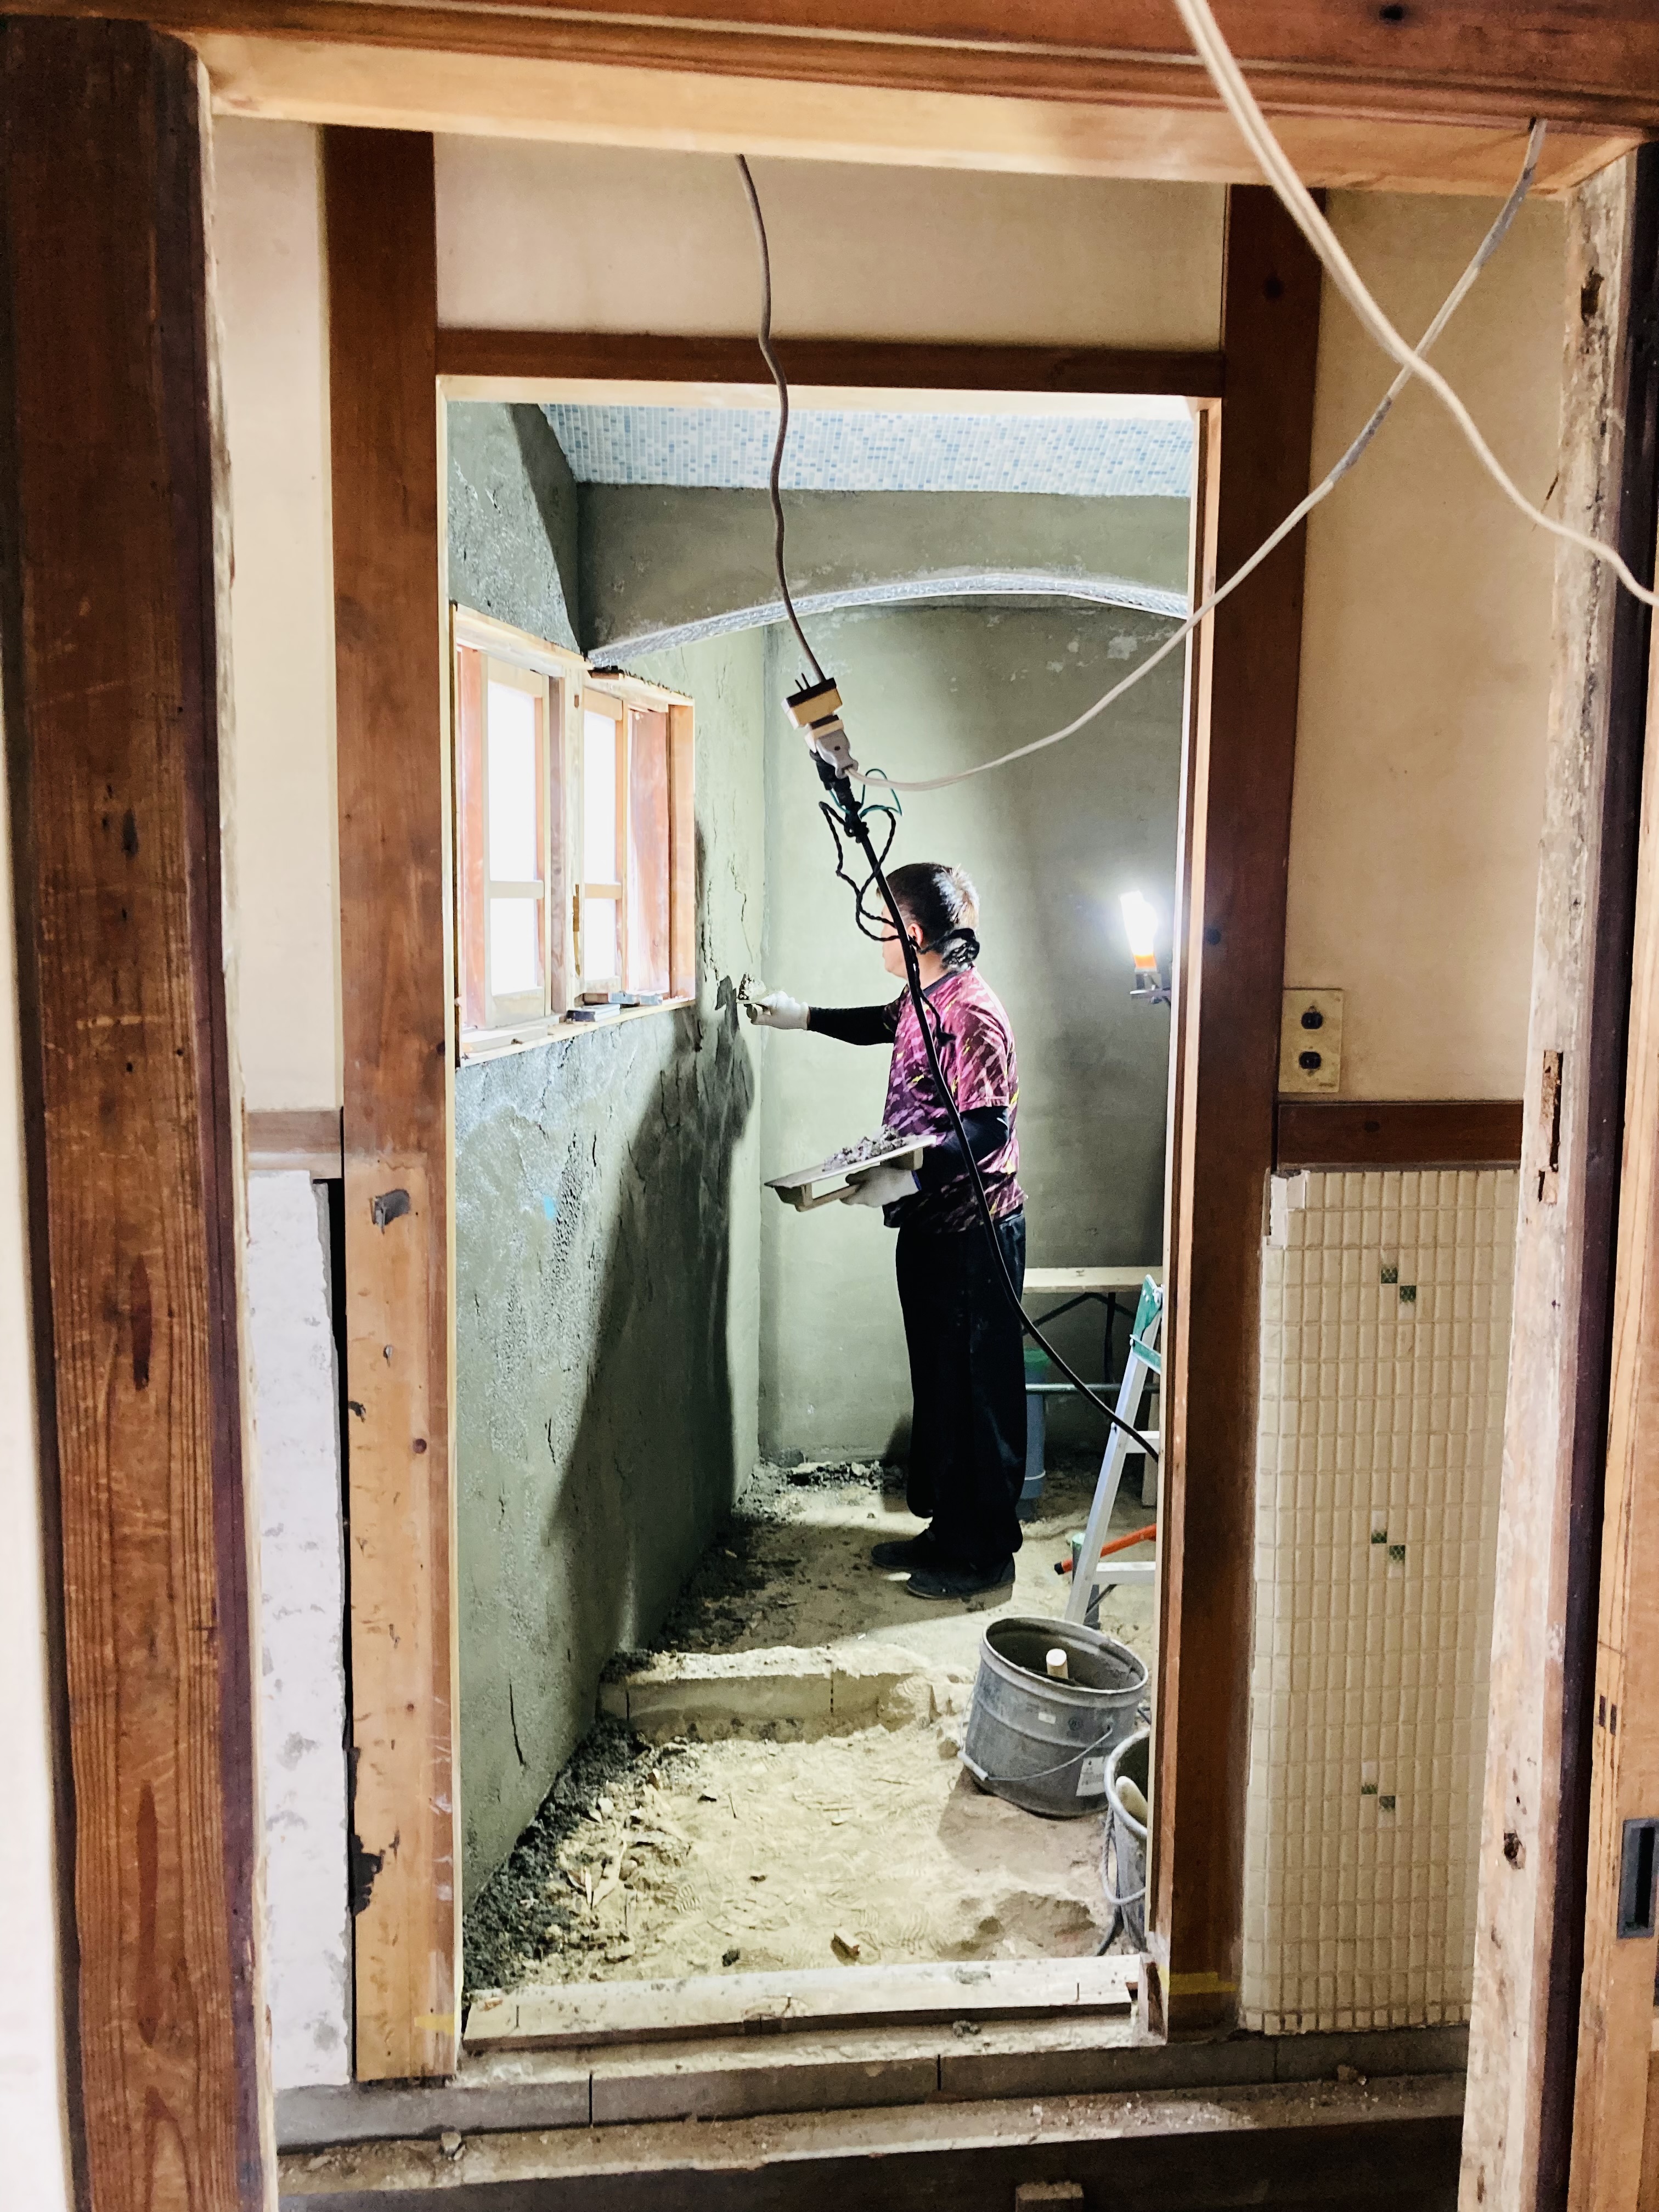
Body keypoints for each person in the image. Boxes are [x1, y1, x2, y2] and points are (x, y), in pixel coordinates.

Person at [748, 862, 1026, 1600]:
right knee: (940, 1386)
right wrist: (801, 1017)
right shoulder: (923, 997)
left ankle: (984, 1556)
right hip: (932, 1229)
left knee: (976, 1393)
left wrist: (908, 1176)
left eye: (882, 924)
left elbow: (989, 1130)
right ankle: (947, 1532)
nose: (876, 937)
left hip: (976, 1234)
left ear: (913, 932)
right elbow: (883, 1023)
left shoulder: (971, 1012)